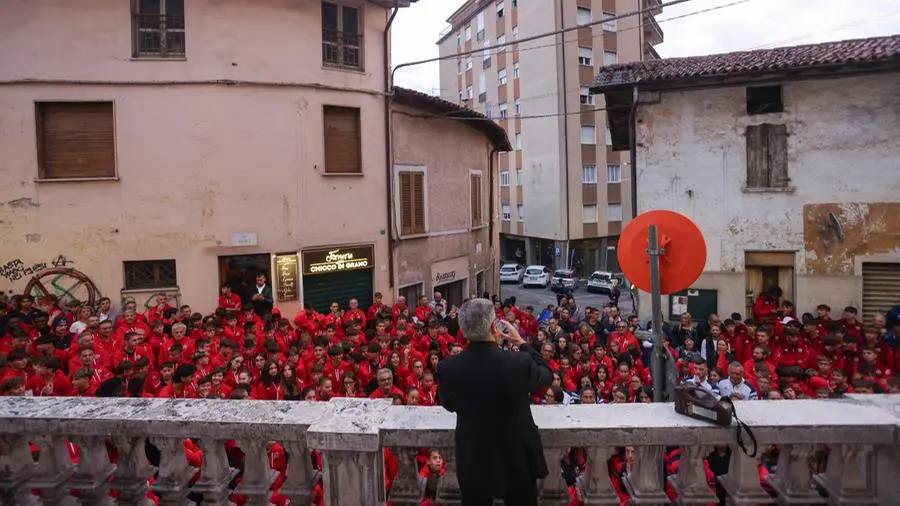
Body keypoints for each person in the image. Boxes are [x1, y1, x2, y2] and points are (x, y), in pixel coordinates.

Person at [435, 298, 553, 506]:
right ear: (493, 327)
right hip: (517, 456)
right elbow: (546, 375)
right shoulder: (519, 363)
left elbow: (449, 404)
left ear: (462, 330)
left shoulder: (448, 368)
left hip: (474, 456)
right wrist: (523, 344)